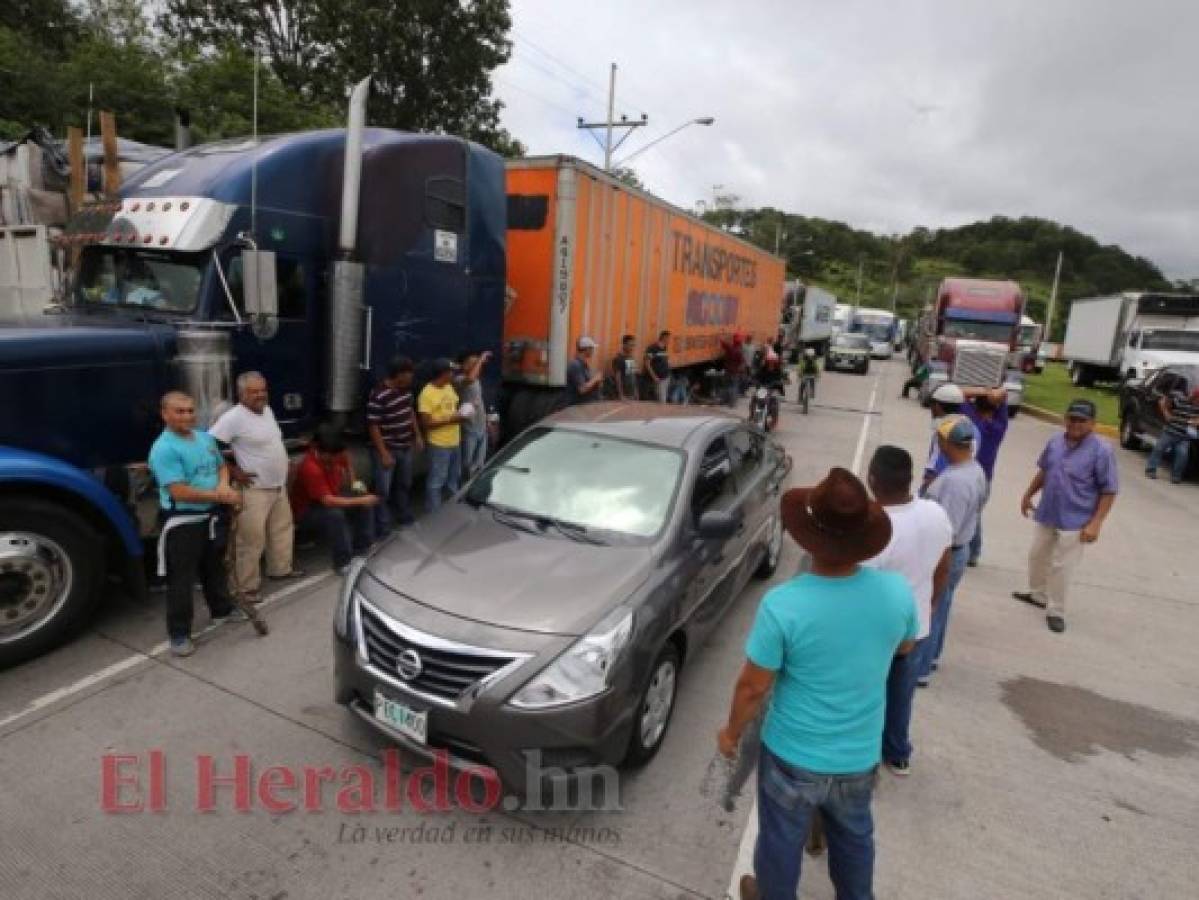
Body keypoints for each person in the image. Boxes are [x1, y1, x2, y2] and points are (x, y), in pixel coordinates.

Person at [718, 468, 918, 900]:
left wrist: (731, 733)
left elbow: (752, 687)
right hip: (858, 753)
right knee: (855, 839)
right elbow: (904, 649)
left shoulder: (784, 605)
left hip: (792, 754)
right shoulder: (897, 593)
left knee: (779, 842)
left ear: (809, 535)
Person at [864, 446, 952, 776]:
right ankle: (898, 754)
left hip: (876, 632)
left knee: (868, 694)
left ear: (872, 479)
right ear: (910, 478)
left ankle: (866, 755)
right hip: (916, 626)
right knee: (901, 694)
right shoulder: (935, 514)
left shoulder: (873, 528)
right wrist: (928, 606)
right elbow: (944, 566)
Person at [148, 391, 245, 657]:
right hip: (184, 521)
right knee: (181, 580)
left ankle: (222, 610)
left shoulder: (203, 437)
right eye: (179, 411)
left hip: (212, 516)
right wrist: (219, 495)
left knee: (214, 567)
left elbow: (221, 466)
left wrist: (224, 486)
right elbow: (178, 491)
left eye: (190, 410)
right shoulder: (164, 448)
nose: (187, 416)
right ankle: (179, 634)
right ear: (164, 414)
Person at [1013, 399, 1119, 633]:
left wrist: (1096, 523)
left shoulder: (1102, 451)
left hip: (1077, 519)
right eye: (1072, 419)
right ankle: (1037, 594)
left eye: (1082, 420)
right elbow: (1045, 470)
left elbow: (1109, 490)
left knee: (1062, 567)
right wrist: (1028, 494)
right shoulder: (1055, 442)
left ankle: (1056, 611)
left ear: (1092, 423)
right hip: (1048, 511)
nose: (1076, 424)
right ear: (1065, 419)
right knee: (1037, 555)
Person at [208, 372, 302, 603]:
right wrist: (232, 470)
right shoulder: (233, 418)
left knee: (281, 530)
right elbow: (207, 446)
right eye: (254, 391)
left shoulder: (266, 410)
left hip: (277, 485)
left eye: (263, 390)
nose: (261, 395)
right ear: (241, 395)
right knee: (250, 540)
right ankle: (246, 588)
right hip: (254, 488)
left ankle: (280, 569)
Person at [921, 416, 988, 683]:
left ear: (947, 443)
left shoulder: (957, 483)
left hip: (946, 553)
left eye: (939, 440)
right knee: (942, 605)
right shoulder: (972, 470)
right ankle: (932, 657)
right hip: (956, 549)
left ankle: (921, 666)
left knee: (931, 608)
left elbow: (947, 528)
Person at [290, 424, 378, 574]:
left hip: (331, 495)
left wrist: (354, 483)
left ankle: (363, 548)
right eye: (333, 457)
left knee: (362, 502)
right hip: (308, 509)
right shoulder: (310, 468)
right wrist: (360, 500)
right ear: (321, 451)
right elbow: (328, 501)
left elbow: (347, 463)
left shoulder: (335, 451)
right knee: (335, 515)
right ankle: (343, 563)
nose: (337, 459)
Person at [367, 356, 423, 532]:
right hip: (388, 449)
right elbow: (373, 425)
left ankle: (404, 517)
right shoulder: (378, 394)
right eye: (409, 373)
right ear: (399, 374)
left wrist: (418, 436)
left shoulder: (406, 391)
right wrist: (383, 453)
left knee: (404, 484)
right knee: (383, 490)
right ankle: (383, 527)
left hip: (405, 447)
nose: (412, 377)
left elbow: (410, 412)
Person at [959, 387, 1010, 566]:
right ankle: (973, 552)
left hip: (964, 473)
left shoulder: (970, 421)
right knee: (975, 514)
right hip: (984, 478)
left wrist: (982, 391)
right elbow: (1004, 396)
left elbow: (960, 393)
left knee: (963, 513)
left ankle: (967, 549)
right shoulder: (999, 426)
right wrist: (998, 396)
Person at [418, 358, 468, 511]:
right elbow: (425, 423)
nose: (453, 374)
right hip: (439, 444)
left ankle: (452, 512)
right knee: (436, 482)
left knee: (454, 480)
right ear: (444, 373)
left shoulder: (449, 387)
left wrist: (465, 412)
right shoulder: (427, 394)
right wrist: (451, 419)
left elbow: (452, 409)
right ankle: (433, 514)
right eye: (451, 372)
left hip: (455, 441)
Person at [921, 383, 979, 492]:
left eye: (932, 405)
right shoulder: (973, 428)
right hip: (965, 484)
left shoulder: (945, 431)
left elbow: (936, 471)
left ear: (937, 406)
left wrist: (924, 493)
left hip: (942, 488)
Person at [1145, 385, 1199, 484]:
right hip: (1170, 432)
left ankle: (1176, 476)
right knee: (1159, 449)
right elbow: (1162, 401)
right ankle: (1150, 470)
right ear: (1194, 397)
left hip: (1184, 437)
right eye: (1198, 400)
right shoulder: (1181, 401)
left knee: (1182, 455)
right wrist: (1166, 413)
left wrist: (1196, 421)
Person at [456, 350, 491, 479]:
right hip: (469, 429)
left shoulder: (477, 380)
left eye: (477, 363)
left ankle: (474, 487)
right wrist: (481, 359)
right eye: (473, 363)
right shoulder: (459, 379)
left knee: (480, 464)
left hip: (481, 427)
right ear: (463, 365)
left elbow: (480, 402)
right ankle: (463, 488)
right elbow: (470, 378)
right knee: (466, 463)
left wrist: (487, 422)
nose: (477, 366)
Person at [565, 336, 603, 405]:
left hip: (585, 404)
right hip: (576, 406)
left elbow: (588, 383)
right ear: (587, 349)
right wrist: (595, 379)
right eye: (592, 348)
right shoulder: (576, 365)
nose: (593, 351)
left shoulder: (583, 364)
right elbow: (582, 389)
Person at [644, 330, 673, 403]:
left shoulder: (664, 348)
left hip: (666, 377)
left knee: (663, 399)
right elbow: (647, 363)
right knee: (661, 401)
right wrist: (654, 377)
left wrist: (668, 363)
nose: (669, 340)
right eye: (669, 338)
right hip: (659, 379)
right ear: (664, 337)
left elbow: (664, 359)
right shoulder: (652, 348)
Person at [611, 334, 640, 401]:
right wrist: (621, 395)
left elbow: (632, 377)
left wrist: (636, 392)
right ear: (624, 345)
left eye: (633, 345)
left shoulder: (630, 358)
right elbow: (617, 378)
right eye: (630, 345)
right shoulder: (618, 359)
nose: (632, 348)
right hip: (623, 396)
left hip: (631, 395)